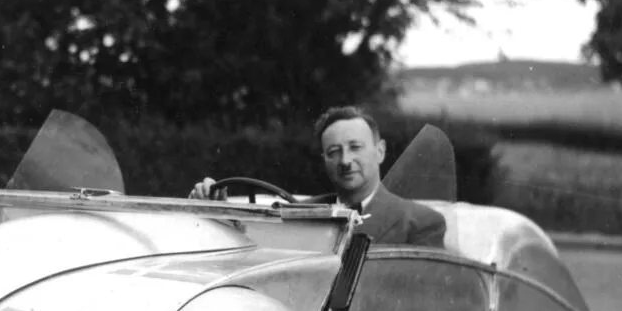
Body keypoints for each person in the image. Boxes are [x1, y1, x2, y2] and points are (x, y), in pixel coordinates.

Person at [188, 106, 447, 247]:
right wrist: (216, 210)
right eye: (334, 152)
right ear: (324, 160)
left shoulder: (420, 223)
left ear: (380, 152)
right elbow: (252, 252)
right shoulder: (297, 212)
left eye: (355, 148)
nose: (345, 161)